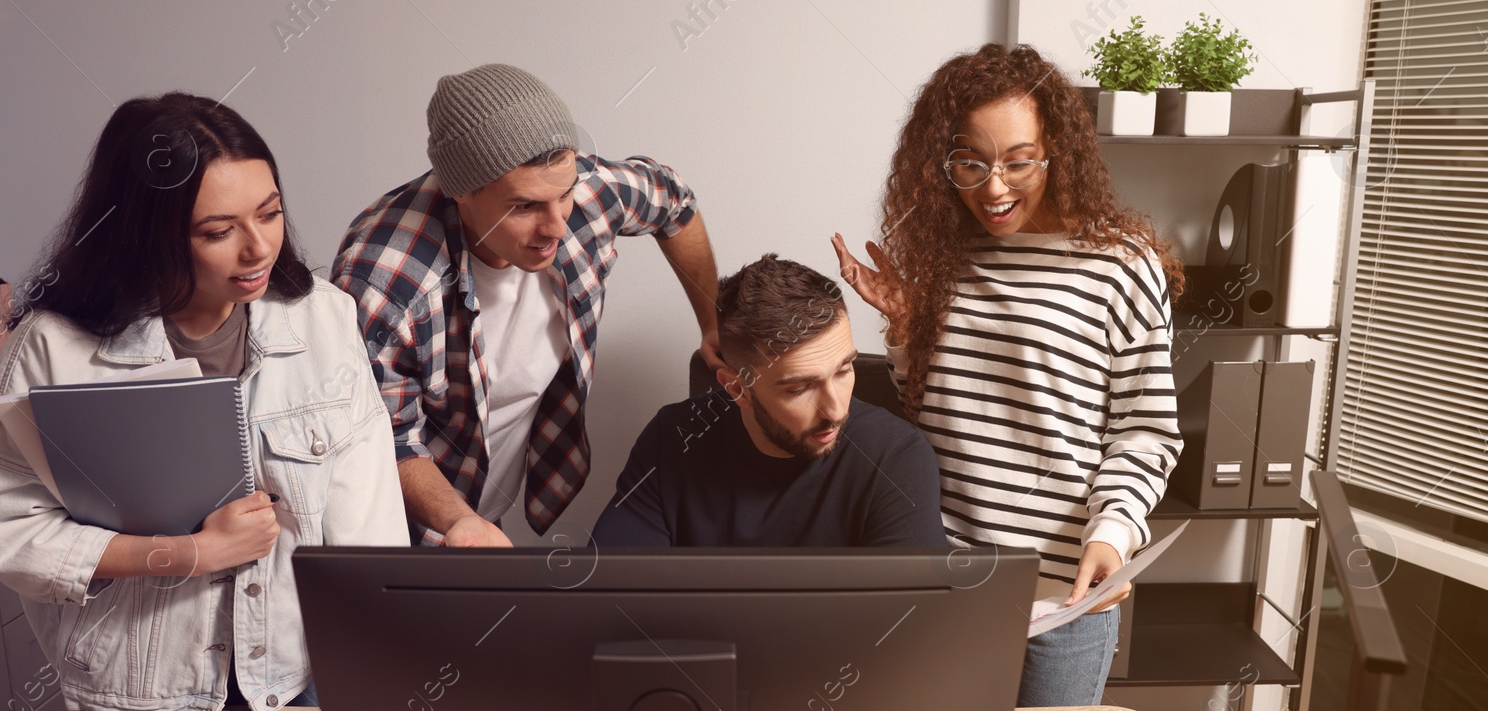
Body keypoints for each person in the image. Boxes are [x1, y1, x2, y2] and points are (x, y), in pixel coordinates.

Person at [0, 93, 409, 711]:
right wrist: (190, 554)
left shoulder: (323, 318)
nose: (258, 249)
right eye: (218, 231)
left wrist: (373, 668)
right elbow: (4, 528)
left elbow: (368, 521)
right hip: (135, 690)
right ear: (147, 234)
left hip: (291, 681)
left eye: (271, 213)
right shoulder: (53, 348)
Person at [831, 44, 1184, 706]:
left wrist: (1115, 530)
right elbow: (932, 419)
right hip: (951, 584)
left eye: (1019, 161)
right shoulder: (944, 255)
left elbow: (1146, 429)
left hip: (1065, 595)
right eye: (970, 161)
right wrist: (908, 332)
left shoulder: (1120, 266)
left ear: (1057, 150)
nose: (993, 187)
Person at [333, 64, 721, 547]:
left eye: (564, 195)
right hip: (405, 519)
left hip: (493, 502)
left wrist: (713, 322)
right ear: (460, 192)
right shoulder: (385, 279)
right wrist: (459, 522)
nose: (558, 226)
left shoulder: (586, 192)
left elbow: (674, 204)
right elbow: (387, 441)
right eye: (524, 207)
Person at [593, 255, 945, 547]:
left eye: (842, 370)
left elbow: (914, 622)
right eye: (799, 389)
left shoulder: (897, 456)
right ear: (737, 389)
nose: (836, 410)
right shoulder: (673, 438)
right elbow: (613, 590)